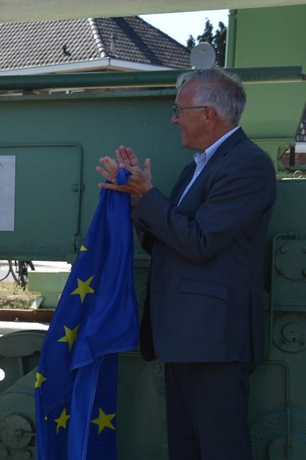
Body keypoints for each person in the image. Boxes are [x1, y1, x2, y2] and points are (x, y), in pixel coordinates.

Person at [96, 68, 276, 459]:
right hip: (186, 336)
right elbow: (168, 240)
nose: (174, 118)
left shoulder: (247, 164)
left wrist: (148, 195)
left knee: (219, 448)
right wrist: (135, 201)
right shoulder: (199, 166)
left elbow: (199, 242)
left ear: (208, 114)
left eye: (179, 110)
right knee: (186, 448)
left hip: (212, 339)